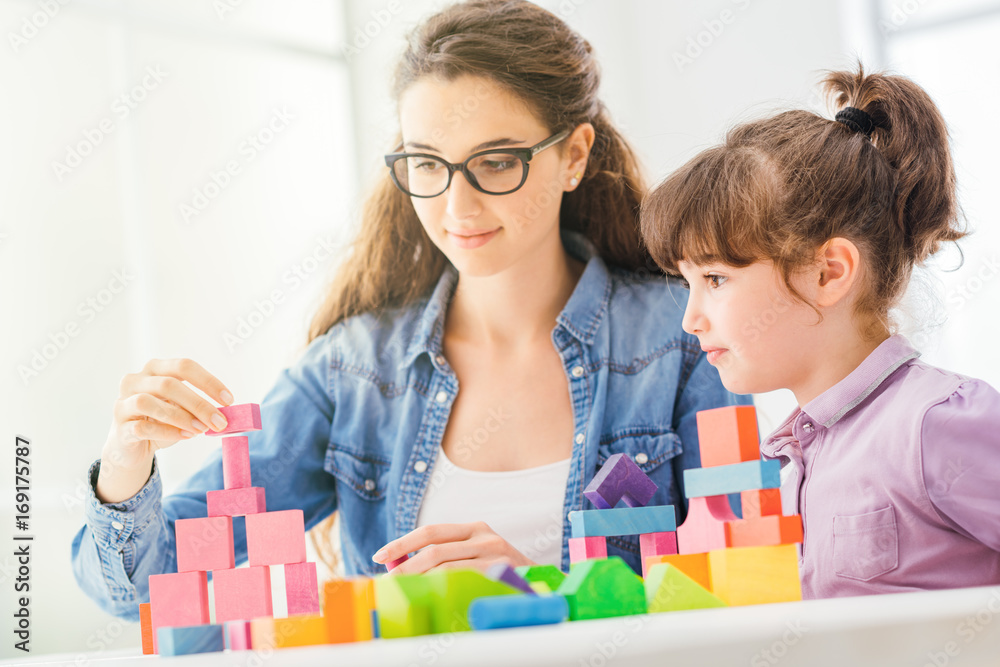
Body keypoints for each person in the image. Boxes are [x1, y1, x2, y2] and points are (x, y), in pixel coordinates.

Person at [72, 0, 745, 620]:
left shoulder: (682, 337)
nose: (457, 207)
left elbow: (744, 583)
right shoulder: (352, 373)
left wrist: (546, 589)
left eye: (497, 161)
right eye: (426, 164)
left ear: (573, 155)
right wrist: (126, 459)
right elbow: (144, 591)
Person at [640, 66, 1000, 598]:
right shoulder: (795, 464)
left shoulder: (938, 426)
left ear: (828, 273)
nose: (691, 319)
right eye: (688, 282)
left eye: (715, 278)